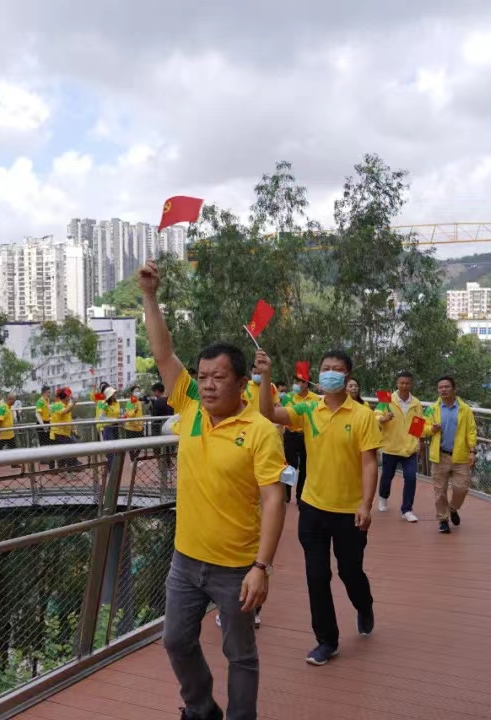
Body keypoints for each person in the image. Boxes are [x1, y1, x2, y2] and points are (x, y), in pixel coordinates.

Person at [140, 260, 286, 720]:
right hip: (186, 559)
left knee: (240, 654)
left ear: (242, 383)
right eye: (202, 376)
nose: (206, 385)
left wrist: (261, 567)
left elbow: (274, 498)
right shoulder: (190, 408)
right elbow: (163, 354)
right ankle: (201, 708)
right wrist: (150, 296)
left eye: (218, 377)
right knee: (175, 640)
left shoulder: (259, 431)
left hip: (237, 565)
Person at [255, 348, 381, 667]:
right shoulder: (309, 409)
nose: (330, 373)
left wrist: (366, 505)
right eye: (325, 367)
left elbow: (369, 463)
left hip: (350, 512)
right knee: (316, 575)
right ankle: (327, 640)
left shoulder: (363, 415)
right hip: (312, 507)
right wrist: (266, 376)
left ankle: (364, 604)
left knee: (349, 571)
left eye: (337, 368)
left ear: (348, 376)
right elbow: (268, 413)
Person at [423, 376, 478, 534]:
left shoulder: (464, 409)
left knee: (462, 488)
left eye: (447, 387)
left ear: (454, 389)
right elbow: (419, 428)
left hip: (461, 456)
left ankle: (453, 508)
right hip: (440, 456)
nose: (444, 390)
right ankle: (443, 520)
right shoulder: (432, 409)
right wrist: (431, 429)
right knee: (439, 491)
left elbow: (471, 431)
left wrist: (472, 451)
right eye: (440, 387)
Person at [375, 371, 424, 523]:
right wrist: (383, 418)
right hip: (391, 446)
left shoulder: (416, 403)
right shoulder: (386, 398)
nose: (404, 385)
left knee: (410, 478)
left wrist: (419, 442)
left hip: (409, 448)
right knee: (387, 476)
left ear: (411, 384)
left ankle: (407, 510)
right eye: (401, 383)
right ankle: (383, 497)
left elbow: (418, 425)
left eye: (407, 383)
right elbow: (375, 416)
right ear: (397, 383)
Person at [283, 363, 318, 504]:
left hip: (306, 436)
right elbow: (282, 415)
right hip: (290, 435)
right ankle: (286, 494)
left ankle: (300, 496)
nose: (297, 384)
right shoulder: (288, 397)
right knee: (289, 466)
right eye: (296, 381)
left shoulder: (315, 399)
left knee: (305, 467)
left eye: (300, 381)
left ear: (306, 383)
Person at [49, 388, 78, 470]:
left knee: (70, 449)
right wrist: (73, 403)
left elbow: (68, 413)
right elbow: (65, 411)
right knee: (61, 453)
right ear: (65, 398)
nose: (69, 398)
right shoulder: (57, 405)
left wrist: (73, 429)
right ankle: (64, 468)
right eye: (68, 397)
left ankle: (70, 467)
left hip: (65, 433)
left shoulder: (66, 405)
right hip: (58, 433)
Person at [122, 385, 145, 460]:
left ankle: (135, 458)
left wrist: (142, 424)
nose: (137, 392)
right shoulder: (129, 402)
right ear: (132, 393)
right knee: (131, 446)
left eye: (138, 391)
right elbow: (129, 414)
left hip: (139, 427)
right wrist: (135, 410)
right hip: (130, 427)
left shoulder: (139, 402)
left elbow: (140, 415)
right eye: (136, 391)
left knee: (142, 443)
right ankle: (133, 460)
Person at [34, 386, 54, 468]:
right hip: (42, 423)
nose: (50, 394)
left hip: (47, 422)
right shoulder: (40, 401)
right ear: (44, 392)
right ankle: (43, 459)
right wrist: (43, 425)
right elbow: (37, 414)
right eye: (48, 392)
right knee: (43, 441)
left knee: (48, 441)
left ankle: (46, 458)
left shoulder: (47, 400)